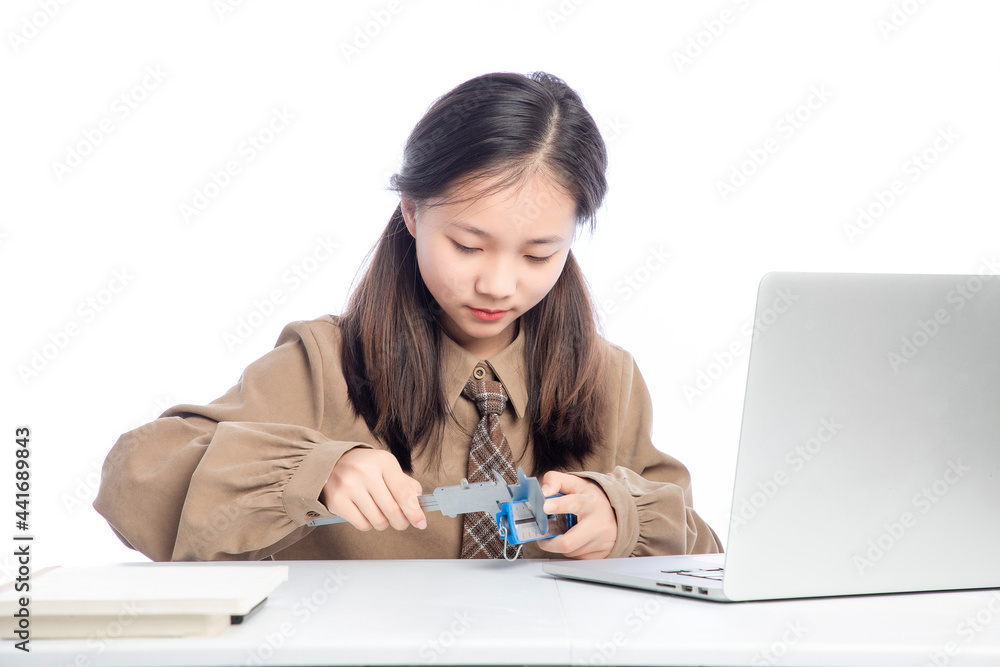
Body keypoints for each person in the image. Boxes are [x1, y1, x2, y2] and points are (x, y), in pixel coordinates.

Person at [94, 71, 722, 563]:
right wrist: (313, 471)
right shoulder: (324, 366)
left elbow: (707, 554)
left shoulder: (608, 380)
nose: (497, 284)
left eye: (539, 254)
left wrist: (624, 518)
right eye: (468, 246)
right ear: (414, 213)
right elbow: (132, 479)